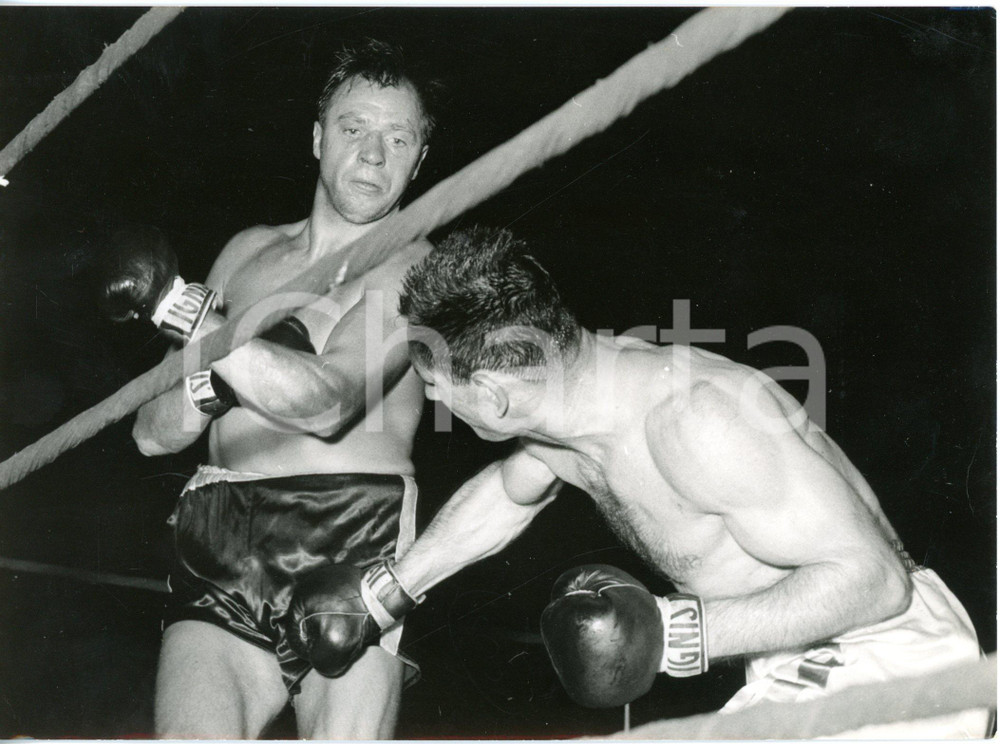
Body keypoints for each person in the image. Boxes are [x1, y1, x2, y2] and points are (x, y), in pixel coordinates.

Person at [293, 225, 993, 738]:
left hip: (888, 653)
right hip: (791, 662)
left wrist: (670, 633)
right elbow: (511, 492)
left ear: (497, 397)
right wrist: (386, 594)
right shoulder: (569, 409)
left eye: (439, 386)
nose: (437, 403)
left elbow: (876, 582)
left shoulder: (698, 423)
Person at [110, 40, 437, 739]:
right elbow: (150, 432)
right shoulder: (244, 254)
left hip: (352, 534)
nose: (375, 154)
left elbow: (326, 402)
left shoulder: (415, 267)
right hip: (220, 528)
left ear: (419, 159)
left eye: (398, 137)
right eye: (355, 128)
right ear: (318, 138)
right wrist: (211, 387)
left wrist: (185, 311)